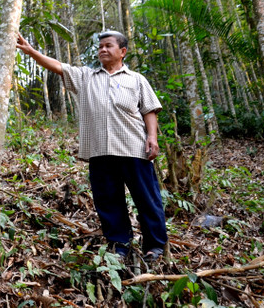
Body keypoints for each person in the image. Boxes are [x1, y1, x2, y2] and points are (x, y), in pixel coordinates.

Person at [16, 30, 167, 262]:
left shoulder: (136, 79)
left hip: (134, 149)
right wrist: (31, 51)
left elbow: (149, 109)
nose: (103, 50)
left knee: (147, 198)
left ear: (122, 51)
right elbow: (59, 66)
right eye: (100, 47)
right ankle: (119, 246)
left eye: (108, 46)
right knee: (108, 201)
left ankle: (155, 246)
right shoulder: (86, 76)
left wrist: (152, 138)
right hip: (100, 151)